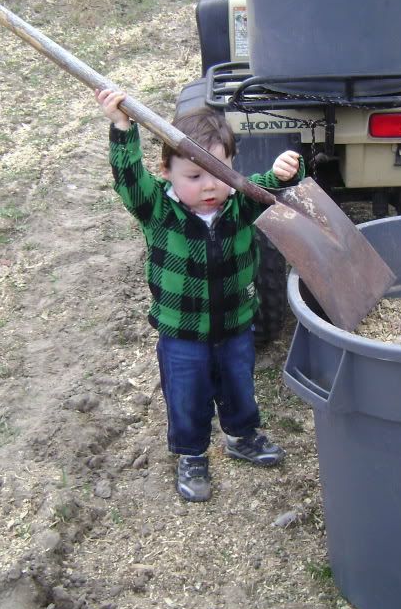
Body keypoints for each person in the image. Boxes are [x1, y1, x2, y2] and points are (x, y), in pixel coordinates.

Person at [95, 88, 303, 502]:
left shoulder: (240, 203)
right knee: (186, 395)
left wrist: (285, 173)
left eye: (219, 172)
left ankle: (242, 435)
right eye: (193, 176)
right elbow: (129, 180)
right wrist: (122, 129)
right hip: (181, 332)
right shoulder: (157, 208)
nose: (209, 187)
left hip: (235, 324)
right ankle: (192, 453)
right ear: (166, 171)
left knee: (238, 384)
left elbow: (269, 186)